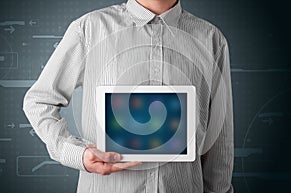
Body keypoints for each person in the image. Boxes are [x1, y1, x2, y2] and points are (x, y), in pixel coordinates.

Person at [23, 0, 234, 192]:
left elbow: (219, 139)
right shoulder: (90, 29)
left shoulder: (211, 39)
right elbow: (39, 101)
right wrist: (77, 153)